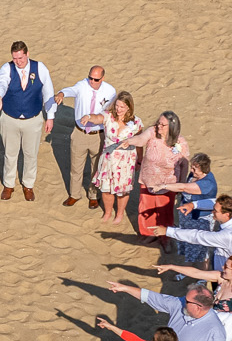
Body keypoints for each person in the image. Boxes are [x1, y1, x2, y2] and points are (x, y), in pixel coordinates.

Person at [0, 41, 56, 201]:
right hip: (10, 119)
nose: (18, 62)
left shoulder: (40, 68)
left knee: (30, 154)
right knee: (10, 153)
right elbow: (1, 83)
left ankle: (28, 185)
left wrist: (50, 117)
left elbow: (48, 92)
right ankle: (8, 185)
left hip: (33, 119)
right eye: (15, 59)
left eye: (21, 58)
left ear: (27, 54)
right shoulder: (7, 68)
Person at [61, 64, 118, 208]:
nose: (92, 82)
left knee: (96, 167)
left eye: (96, 79)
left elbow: (110, 113)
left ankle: (93, 195)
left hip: (98, 135)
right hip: (80, 133)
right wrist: (62, 93)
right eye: (90, 78)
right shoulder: (82, 85)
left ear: (102, 79)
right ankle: (74, 195)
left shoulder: (110, 91)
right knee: (76, 166)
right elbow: (71, 90)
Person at [129, 111, 189, 240]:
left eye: (163, 125)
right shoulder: (152, 132)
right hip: (148, 179)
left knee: (165, 212)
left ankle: (164, 237)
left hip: (168, 184)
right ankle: (148, 233)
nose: (159, 127)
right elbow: (140, 139)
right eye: (158, 123)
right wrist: (130, 141)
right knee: (146, 208)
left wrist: (182, 184)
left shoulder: (181, 142)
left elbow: (184, 165)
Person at [92, 95, 143, 228]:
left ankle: (120, 213)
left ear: (129, 107)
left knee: (123, 191)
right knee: (106, 189)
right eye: (117, 105)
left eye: (122, 107)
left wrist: (140, 160)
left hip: (126, 161)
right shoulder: (108, 116)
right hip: (108, 159)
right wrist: (89, 117)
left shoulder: (136, 122)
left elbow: (140, 142)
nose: (118, 109)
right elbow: (98, 118)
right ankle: (108, 212)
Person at [166, 193, 232, 272]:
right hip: (226, 271)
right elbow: (213, 202)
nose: (212, 212)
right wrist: (193, 205)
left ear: (226, 214)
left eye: (215, 211)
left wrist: (168, 231)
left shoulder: (228, 235)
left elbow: (197, 236)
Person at [174, 153, 222, 264]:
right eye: (192, 167)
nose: (191, 170)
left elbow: (184, 187)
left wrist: (164, 186)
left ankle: (202, 278)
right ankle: (186, 269)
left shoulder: (207, 183)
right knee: (187, 241)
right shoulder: (193, 176)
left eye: (195, 169)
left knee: (203, 247)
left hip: (201, 218)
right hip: (187, 214)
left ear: (203, 170)